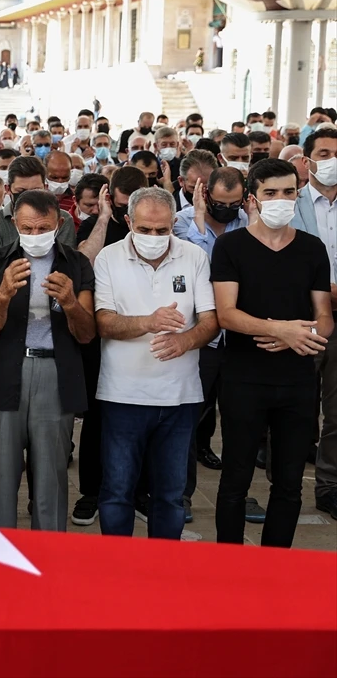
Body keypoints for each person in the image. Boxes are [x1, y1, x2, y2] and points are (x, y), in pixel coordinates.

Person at [212, 158, 333, 547]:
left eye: (288, 192)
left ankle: (275, 563)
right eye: (271, 192)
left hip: (297, 381)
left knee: (289, 482)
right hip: (244, 379)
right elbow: (226, 313)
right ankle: (229, 562)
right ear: (253, 198)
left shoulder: (312, 249)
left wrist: (300, 335)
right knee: (236, 478)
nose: (281, 199)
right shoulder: (231, 246)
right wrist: (278, 329)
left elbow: (324, 317)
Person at [93, 187, 218, 540]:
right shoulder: (108, 258)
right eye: (144, 229)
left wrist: (184, 340)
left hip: (180, 397)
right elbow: (104, 322)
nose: (153, 237)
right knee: (117, 490)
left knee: (170, 495)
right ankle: (118, 564)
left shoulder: (194, 257)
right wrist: (149, 322)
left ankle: (163, 566)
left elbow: (210, 321)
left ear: (173, 223)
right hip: (122, 395)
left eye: (162, 230)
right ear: (128, 221)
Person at [0, 190, 96, 531]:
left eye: (43, 228)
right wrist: (3, 294)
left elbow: (87, 334)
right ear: (15, 223)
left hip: (56, 373)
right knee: (1, 473)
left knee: (52, 475)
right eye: (27, 228)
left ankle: (48, 552)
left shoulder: (76, 263)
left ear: (58, 224)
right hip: (6, 373)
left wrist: (70, 302)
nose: (34, 235)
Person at [174, 166, 248, 483]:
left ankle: (237, 490)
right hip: (204, 334)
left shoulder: (249, 221)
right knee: (190, 414)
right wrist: (201, 221)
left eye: (234, 203)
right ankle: (182, 490)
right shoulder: (182, 222)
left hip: (241, 336)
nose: (228, 210)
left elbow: (253, 266)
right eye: (220, 203)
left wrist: (252, 218)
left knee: (240, 418)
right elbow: (200, 268)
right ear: (206, 194)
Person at [293, 127, 337, 520]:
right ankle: (284, 483)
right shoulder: (290, 204)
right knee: (294, 407)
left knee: (336, 411)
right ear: (307, 162)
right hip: (301, 318)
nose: (332, 160)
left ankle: (329, 486)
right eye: (324, 153)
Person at [0, 156, 76, 256]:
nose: (29, 197)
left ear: (45, 188)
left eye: (35, 190)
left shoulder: (63, 219)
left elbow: (65, 260)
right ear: (8, 189)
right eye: (21, 191)